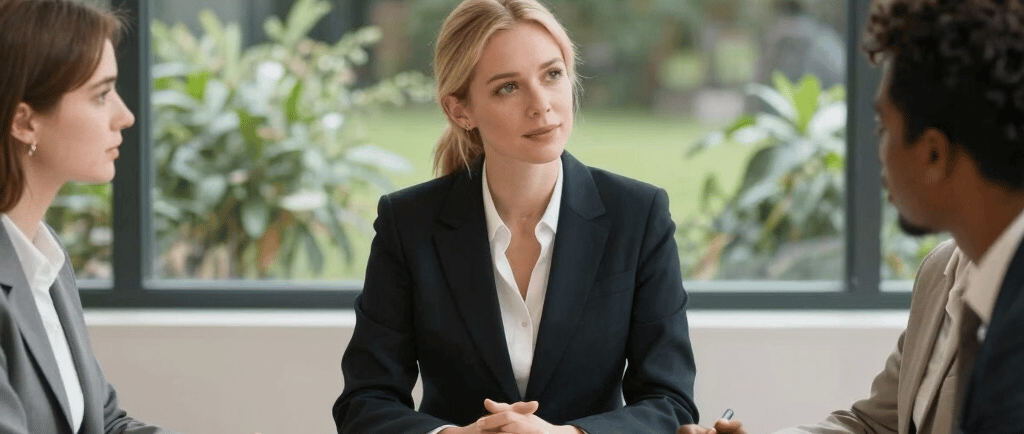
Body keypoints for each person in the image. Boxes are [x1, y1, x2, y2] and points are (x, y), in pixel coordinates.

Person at [332, 0, 699, 433]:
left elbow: (669, 400)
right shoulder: (407, 223)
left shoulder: (638, 216)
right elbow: (365, 400)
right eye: (508, 87)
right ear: (459, 110)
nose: (541, 105)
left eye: (552, 74)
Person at [680, 0, 1024, 433]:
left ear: (934, 153)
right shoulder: (942, 272)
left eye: (883, 130)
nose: (876, 155)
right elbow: (875, 424)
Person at [0, 0, 179, 433]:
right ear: (25, 122)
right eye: (101, 95)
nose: (126, 116)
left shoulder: (43, 257)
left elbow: (105, 420)